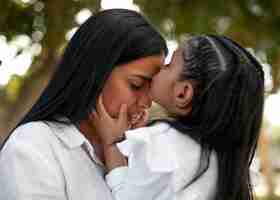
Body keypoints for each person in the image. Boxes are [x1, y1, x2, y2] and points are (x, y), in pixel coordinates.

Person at [0, 9, 168, 200]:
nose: (147, 102)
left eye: (152, 88)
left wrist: (131, 158)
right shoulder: (33, 146)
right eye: (136, 85)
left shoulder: (135, 156)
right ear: (95, 73)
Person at [92, 35, 265, 200]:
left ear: (183, 93)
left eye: (168, 65)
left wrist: (112, 144)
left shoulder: (162, 144)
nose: (157, 70)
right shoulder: (230, 164)